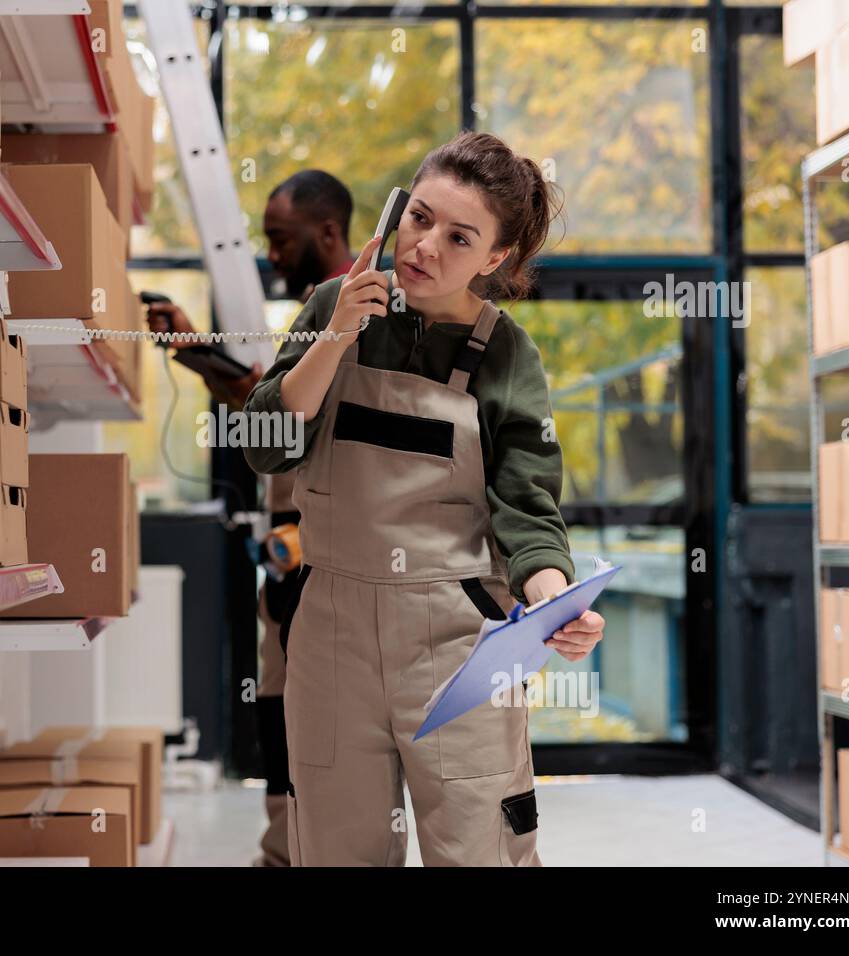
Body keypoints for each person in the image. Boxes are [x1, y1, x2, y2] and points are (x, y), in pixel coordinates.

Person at [241, 131, 606, 867]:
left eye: (459, 236)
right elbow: (265, 441)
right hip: (330, 632)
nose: (425, 246)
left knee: (479, 848)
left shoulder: (506, 352)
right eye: (419, 217)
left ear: (494, 259)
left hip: (457, 646)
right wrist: (335, 336)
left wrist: (556, 599)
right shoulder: (330, 305)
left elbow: (526, 500)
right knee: (336, 847)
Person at [144, 170, 356, 867]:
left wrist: (204, 357)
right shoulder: (311, 315)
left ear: (328, 233)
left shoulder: (355, 317)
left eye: (281, 240)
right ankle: (282, 853)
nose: (271, 255)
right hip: (292, 557)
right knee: (278, 711)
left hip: (328, 559)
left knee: (310, 724)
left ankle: (301, 854)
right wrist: (200, 352)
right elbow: (267, 404)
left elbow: (287, 417)